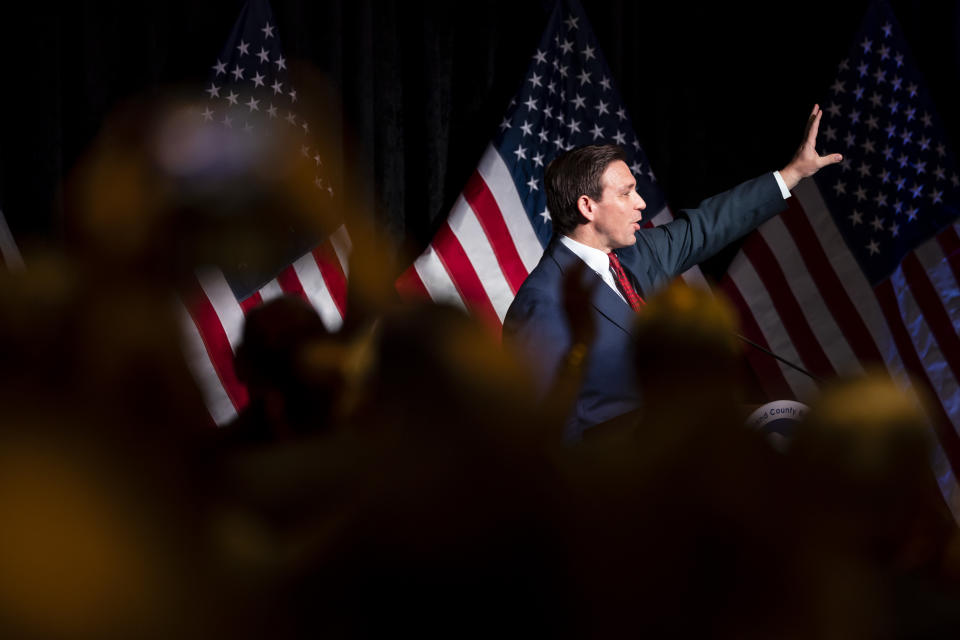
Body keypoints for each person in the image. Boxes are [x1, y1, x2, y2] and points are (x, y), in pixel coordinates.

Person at [502, 105, 842, 441]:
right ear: (587, 206)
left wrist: (792, 173)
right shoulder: (543, 302)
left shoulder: (639, 252)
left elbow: (711, 223)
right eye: (626, 193)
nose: (641, 203)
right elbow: (545, 432)